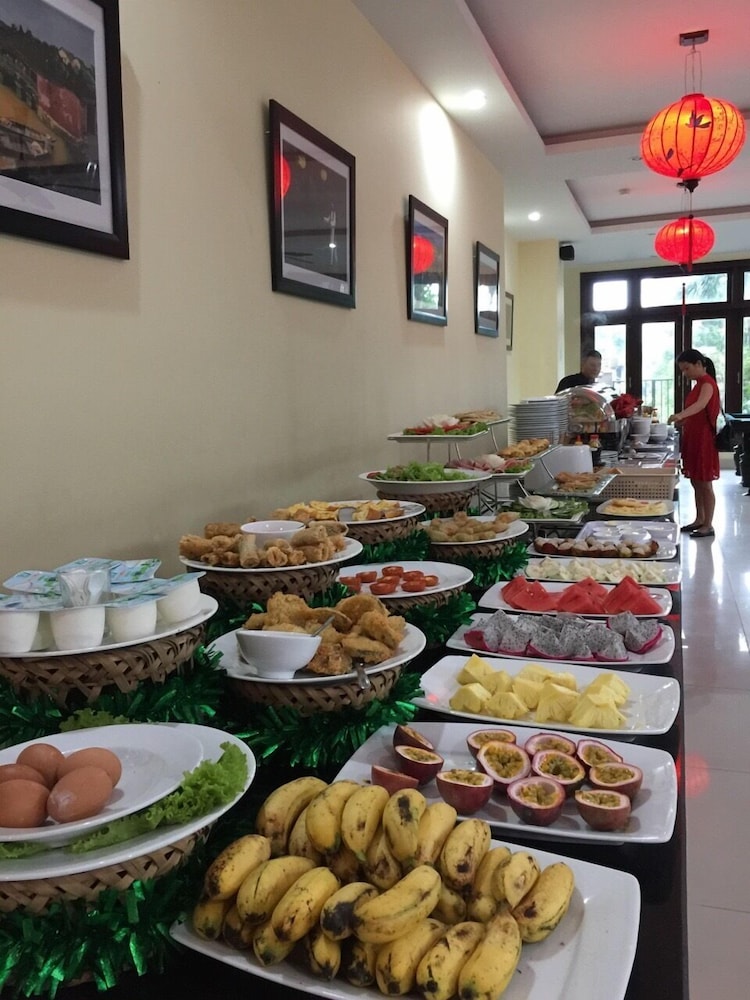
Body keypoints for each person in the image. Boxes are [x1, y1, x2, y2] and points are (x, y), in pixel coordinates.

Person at [668, 349, 720, 538]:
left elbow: (700, 405)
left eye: (687, 369)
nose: (685, 374)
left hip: (704, 439)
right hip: (693, 436)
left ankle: (708, 524)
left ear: (698, 364)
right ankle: (700, 519)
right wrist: (684, 421)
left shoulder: (707, 383)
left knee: (705, 483)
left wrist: (680, 415)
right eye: (682, 370)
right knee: (696, 481)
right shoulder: (698, 384)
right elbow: (696, 413)